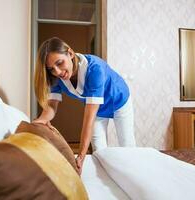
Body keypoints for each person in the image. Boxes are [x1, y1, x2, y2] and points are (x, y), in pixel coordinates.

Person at [33, 37, 136, 174]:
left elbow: (89, 118)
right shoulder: (57, 79)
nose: (57, 72)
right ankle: (108, 178)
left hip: (119, 101)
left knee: (127, 145)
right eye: (51, 69)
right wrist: (41, 121)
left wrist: (81, 155)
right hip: (99, 110)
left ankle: (133, 173)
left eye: (60, 63)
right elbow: (51, 106)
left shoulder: (94, 69)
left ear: (70, 53)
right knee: (100, 151)